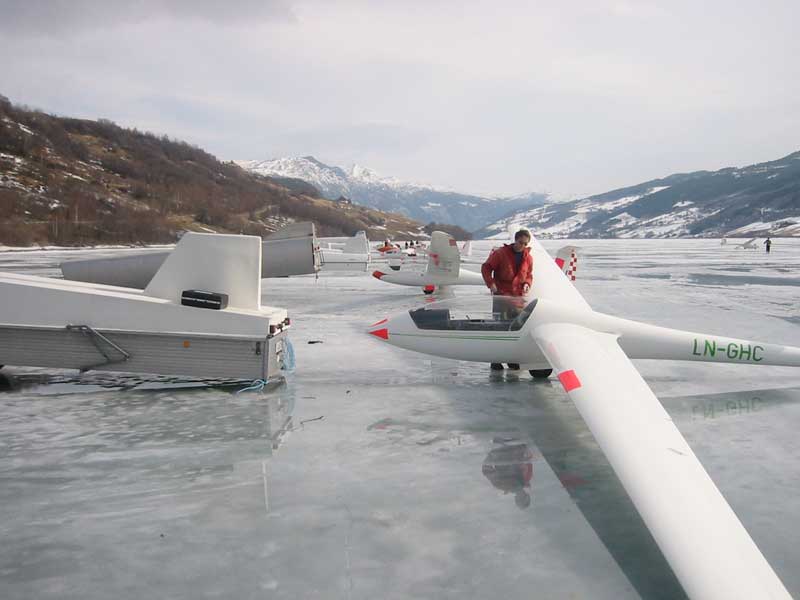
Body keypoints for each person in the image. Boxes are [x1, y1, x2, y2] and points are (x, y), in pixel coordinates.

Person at [481, 229, 533, 371]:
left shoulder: (528, 258)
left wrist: (527, 283)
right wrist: (491, 283)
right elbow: (486, 268)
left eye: (525, 244)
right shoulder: (501, 253)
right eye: (520, 242)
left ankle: (512, 359)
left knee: (515, 329)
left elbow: (529, 274)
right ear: (515, 240)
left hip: (518, 299)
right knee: (499, 328)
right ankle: (496, 360)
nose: (522, 246)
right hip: (501, 296)